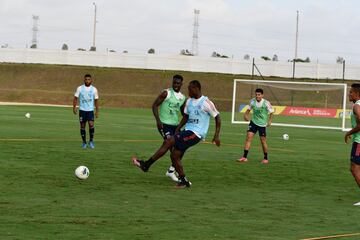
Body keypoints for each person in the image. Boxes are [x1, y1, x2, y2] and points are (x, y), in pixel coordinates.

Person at [132, 80, 221, 188]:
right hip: (188, 130)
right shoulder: (189, 101)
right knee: (174, 155)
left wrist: (216, 135)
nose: (188, 91)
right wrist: (178, 128)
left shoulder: (206, 102)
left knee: (169, 141)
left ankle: (146, 164)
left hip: (196, 133)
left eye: (189, 89)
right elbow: (186, 116)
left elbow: (217, 117)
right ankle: (184, 181)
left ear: (196, 89)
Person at [152, 74, 186, 182]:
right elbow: (154, 106)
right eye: (174, 82)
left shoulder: (182, 97)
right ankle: (180, 176)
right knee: (171, 146)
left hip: (175, 126)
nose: (176, 85)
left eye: (178, 83)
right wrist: (158, 121)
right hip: (164, 125)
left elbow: (183, 113)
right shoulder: (166, 93)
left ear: (181, 84)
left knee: (180, 149)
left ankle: (171, 170)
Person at [237, 88, 273, 164]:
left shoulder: (266, 103)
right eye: (256, 94)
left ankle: (266, 158)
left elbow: (271, 112)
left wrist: (269, 121)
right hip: (253, 123)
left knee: (263, 141)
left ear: (262, 95)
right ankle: (244, 157)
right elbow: (248, 110)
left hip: (262, 125)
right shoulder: (252, 101)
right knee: (248, 138)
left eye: (259, 95)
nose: (257, 96)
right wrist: (245, 115)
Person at [73, 74, 99, 149]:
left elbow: (96, 101)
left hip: (90, 111)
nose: (87, 81)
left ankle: (91, 141)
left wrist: (97, 111)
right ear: (84, 80)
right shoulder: (80, 88)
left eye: (89, 79)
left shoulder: (94, 89)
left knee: (91, 124)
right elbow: (75, 98)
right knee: (82, 126)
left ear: (91, 80)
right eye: (86, 79)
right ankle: (84, 142)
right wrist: (74, 107)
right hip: (82, 110)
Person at [345, 83, 360, 206]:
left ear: (357, 94)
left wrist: (348, 133)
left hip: (359, 142)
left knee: (354, 169)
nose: (349, 94)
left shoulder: (357, 106)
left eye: (351, 92)